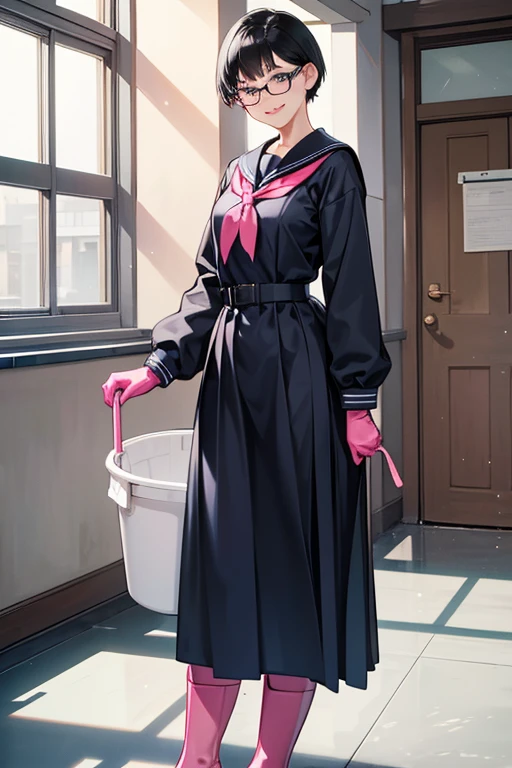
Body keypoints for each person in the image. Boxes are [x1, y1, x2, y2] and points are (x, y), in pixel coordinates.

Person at [103, 8, 400, 768]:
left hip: (300, 378)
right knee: (224, 567)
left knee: (290, 569)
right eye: (245, 86)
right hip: (233, 383)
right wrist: (160, 364)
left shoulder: (334, 166)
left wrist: (359, 401)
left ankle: (271, 760)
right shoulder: (238, 174)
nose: (262, 96)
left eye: (274, 79)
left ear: (307, 76)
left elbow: (355, 290)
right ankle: (195, 760)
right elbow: (210, 284)